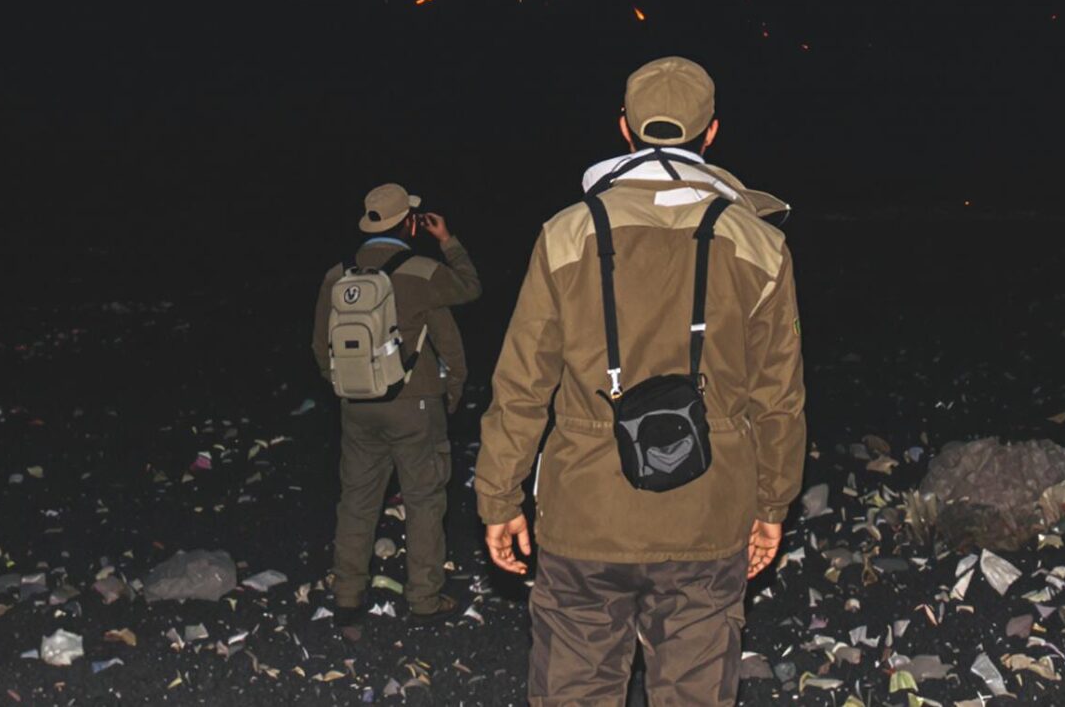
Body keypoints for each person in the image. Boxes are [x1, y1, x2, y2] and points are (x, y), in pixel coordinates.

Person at [477, 56, 806, 707]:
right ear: (712, 132)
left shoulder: (566, 234)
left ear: (624, 127)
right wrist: (772, 505)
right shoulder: (759, 244)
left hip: (585, 512)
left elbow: (520, 385)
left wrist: (499, 497)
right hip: (707, 510)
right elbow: (779, 398)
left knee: (574, 689)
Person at [313, 182, 482, 620]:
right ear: (410, 223)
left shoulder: (337, 275)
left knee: (357, 501)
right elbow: (469, 291)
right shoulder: (422, 272)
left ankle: (347, 596)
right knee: (424, 501)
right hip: (415, 404)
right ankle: (424, 600)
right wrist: (448, 240)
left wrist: (348, 388)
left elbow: (320, 347)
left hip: (356, 405)